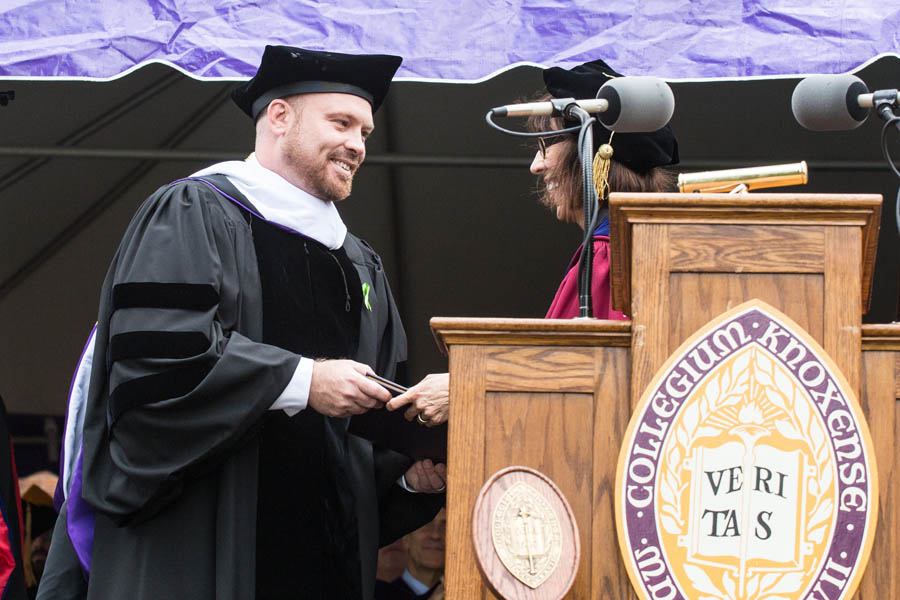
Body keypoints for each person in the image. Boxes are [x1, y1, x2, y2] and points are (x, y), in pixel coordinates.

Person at [37, 46, 446, 600]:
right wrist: (302, 382)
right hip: (203, 557)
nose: (358, 144)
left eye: (366, 132)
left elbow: (363, 438)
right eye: (342, 123)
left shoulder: (358, 265)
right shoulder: (192, 214)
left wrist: (403, 477)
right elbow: (154, 379)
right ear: (279, 117)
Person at [386, 58, 679, 425]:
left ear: (594, 156)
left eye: (548, 144)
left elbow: (592, 379)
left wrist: (467, 386)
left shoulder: (611, 257)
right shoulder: (647, 250)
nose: (536, 166)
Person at [375, 508, 445, 600]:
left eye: (445, 525)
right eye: (426, 524)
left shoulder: (464, 593)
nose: (436, 535)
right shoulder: (375, 594)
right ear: (405, 538)